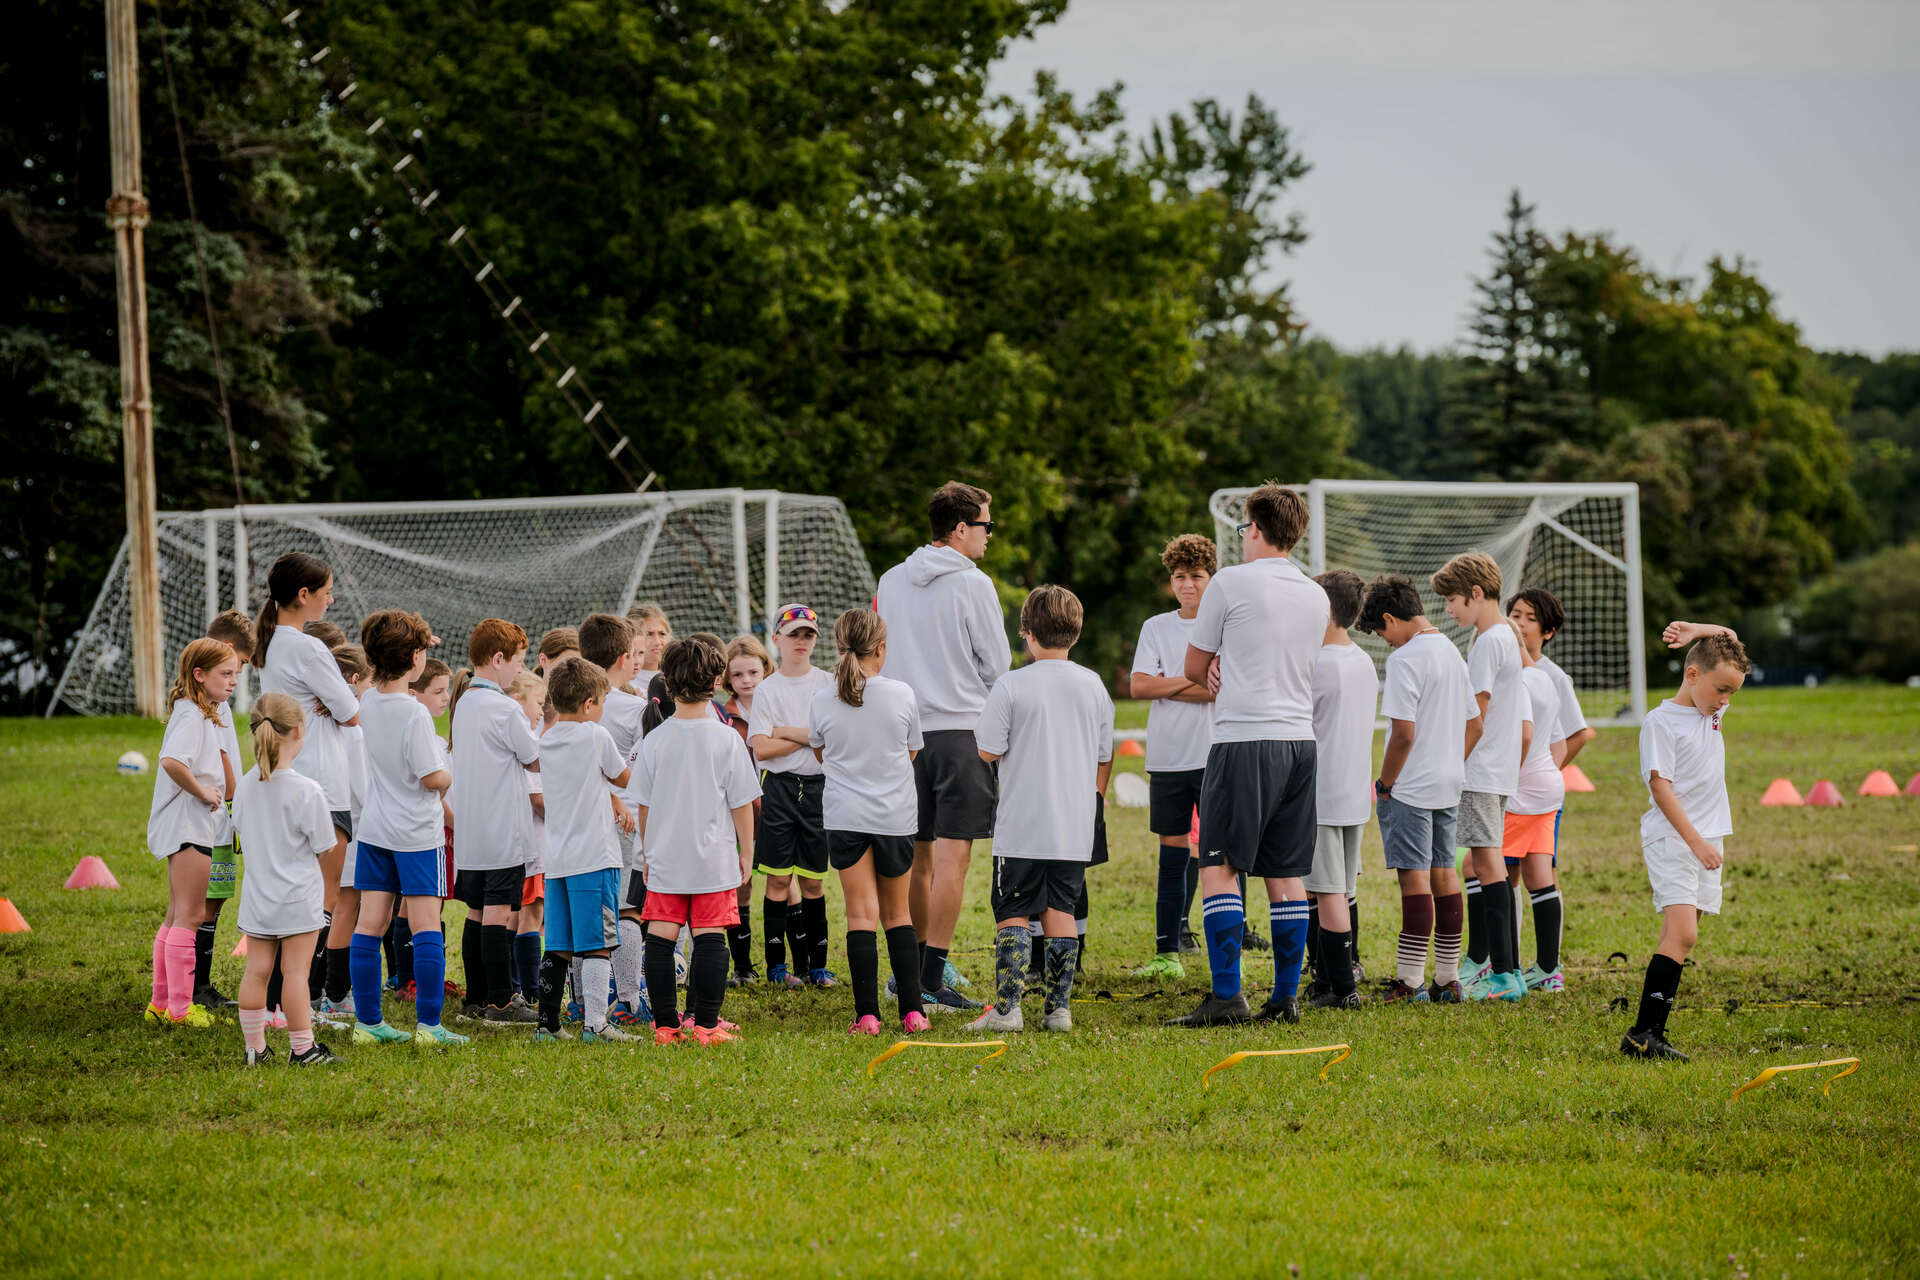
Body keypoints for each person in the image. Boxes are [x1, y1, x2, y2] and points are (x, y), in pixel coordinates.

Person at [1168, 484, 1328, 1027]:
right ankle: (1285, 998)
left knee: (1218, 865)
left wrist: (1216, 668)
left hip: (1242, 738)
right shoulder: (1315, 593)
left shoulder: (1230, 583)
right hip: (1300, 742)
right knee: (1285, 874)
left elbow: (1194, 667)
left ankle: (1227, 996)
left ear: (1254, 528)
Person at [873, 481, 1009, 1011]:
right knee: (954, 859)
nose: (989, 536)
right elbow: (997, 668)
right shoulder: (975, 584)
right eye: (986, 526)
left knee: (915, 858)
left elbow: (878, 654)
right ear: (959, 529)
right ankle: (930, 977)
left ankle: (908, 971)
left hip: (903, 734)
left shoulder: (890, 578)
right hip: (960, 735)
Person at [965, 587, 1113, 1033]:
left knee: (1012, 910)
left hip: (1022, 824)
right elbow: (1105, 753)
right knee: (1061, 909)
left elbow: (988, 751)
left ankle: (1008, 1010)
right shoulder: (1093, 684)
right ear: (1076, 632)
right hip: (1072, 824)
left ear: (1027, 634)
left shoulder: (1011, 684)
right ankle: (1058, 1009)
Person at [1622, 622, 1748, 1061]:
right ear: (1692, 675)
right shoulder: (1661, 722)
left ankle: (1650, 1034)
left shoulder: (1709, 709)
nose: (1725, 701)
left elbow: (1728, 635)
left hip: (1706, 839)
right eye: (1722, 690)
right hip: (1676, 839)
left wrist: (1696, 629)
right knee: (1684, 933)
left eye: (1732, 693)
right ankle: (1642, 1034)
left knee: (1680, 937)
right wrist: (1695, 843)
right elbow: (1661, 789)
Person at [630, 639, 761, 1046]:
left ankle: (666, 1027)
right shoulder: (726, 740)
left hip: (666, 858)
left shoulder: (654, 741)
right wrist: (747, 852)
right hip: (713, 860)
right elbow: (742, 805)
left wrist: (649, 854)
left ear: (668, 684)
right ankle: (705, 1025)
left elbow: (644, 808)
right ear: (718, 682)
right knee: (709, 938)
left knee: (660, 937)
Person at [348, 609, 468, 1048]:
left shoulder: (367, 702)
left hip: (376, 831)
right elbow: (431, 777)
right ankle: (430, 1028)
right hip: (417, 834)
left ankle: (368, 1023)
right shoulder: (415, 714)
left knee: (369, 924)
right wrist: (449, 776)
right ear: (417, 658)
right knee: (426, 928)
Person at [808, 609, 930, 1034]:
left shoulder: (822, 698)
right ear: (881, 647)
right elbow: (912, 752)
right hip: (895, 817)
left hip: (845, 816)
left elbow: (822, 754)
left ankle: (867, 1017)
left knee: (861, 915)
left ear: (839, 647)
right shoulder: (901, 694)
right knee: (898, 915)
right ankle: (913, 1013)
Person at [1358, 576, 1478, 1004]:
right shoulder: (1451, 650)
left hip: (1410, 787)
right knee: (1445, 877)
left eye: (1379, 632)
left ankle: (1409, 981)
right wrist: (1449, 761)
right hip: (1448, 782)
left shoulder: (1406, 660)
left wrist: (1386, 783)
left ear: (1390, 618)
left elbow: (1403, 734)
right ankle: (1447, 979)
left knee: (1414, 883)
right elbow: (1475, 723)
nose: (1383, 641)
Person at [253, 553, 361, 1017]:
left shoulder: (272, 642)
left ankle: (285, 996)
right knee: (326, 897)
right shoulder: (308, 647)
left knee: (297, 890)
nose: (331, 599)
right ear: (304, 595)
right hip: (323, 784)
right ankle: (306, 996)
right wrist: (337, 697)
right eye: (327, 591)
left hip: (289, 776)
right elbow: (350, 712)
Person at [1433, 551, 1530, 1002]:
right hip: (1498, 770)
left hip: (1481, 770)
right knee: (1486, 862)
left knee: (1488, 864)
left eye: (1452, 599)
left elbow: (1478, 714)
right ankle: (1499, 969)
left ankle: (1505, 976)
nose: (1449, 610)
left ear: (1475, 593)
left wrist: (1454, 761)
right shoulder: (1505, 636)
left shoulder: (1490, 640)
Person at [231, 691, 340, 1065]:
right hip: (297, 900)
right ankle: (303, 1050)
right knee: (295, 973)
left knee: (256, 972)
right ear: (298, 731)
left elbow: (239, 828)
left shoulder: (244, 786)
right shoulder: (308, 790)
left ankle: (254, 1050)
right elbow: (326, 846)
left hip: (258, 898)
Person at [533, 656, 634, 1043]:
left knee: (557, 944)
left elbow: (585, 784)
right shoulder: (596, 735)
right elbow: (623, 776)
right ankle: (596, 1024)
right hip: (595, 857)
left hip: (558, 859)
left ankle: (548, 1025)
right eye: (603, 702)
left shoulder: (548, 739)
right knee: (598, 944)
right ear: (589, 704)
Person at [1128, 534, 1216, 979]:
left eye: (1196, 577)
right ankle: (1167, 952)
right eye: (1179, 577)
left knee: (1220, 853)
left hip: (1214, 755)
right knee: (1172, 852)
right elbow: (1139, 687)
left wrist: (1171, 680)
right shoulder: (1156, 627)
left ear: (1211, 579)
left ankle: (1225, 946)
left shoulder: (1223, 626)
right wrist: (1192, 679)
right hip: (1167, 758)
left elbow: (1221, 692)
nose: (1187, 585)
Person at [145, 637, 242, 1028]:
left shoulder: (204, 711)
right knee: (189, 916)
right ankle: (180, 1011)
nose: (233, 681)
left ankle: (160, 1004)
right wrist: (203, 790)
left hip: (191, 826)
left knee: (175, 916)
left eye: (236, 673)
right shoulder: (191, 715)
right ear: (199, 676)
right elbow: (171, 761)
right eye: (225, 674)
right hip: (188, 827)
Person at [450, 619, 541, 1025]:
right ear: (497, 658)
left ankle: (476, 998)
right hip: (502, 828)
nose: (520, 672)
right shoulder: (505, 708)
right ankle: (503, 1002)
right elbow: (534, 757)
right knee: (496, 913)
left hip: (472, 832)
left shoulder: (466, 701)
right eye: (518, 662)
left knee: (475, 911)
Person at [1506, 587, 1595, 988]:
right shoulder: (1510, 669)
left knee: (1537, 871)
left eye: (1529, 618)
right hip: (1523, 788)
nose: (1520, 623)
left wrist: (1543, 768)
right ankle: (1514, 958)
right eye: (1516, 614)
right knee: (1511, 873)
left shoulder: (1553, 677)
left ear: (1548, 631)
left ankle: (1544, 966)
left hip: (1533, 792)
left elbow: (1577, 734)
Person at [748, 604, 836, 988]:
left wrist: (783, 730)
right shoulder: (767, 689)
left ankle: (817, 967)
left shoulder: (828, 683)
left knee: (814, 882)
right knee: (779, 881)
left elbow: (829, 742)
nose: (801, 641)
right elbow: (761, 749)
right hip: (779, 789)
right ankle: (776, 967)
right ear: (776, 639)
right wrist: (806, 736)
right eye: (794, 634)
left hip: (819, 790)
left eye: (808, 635)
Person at [1304, 569, 1377, 1010]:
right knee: (1338, 888)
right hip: (1353, 791)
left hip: (1322, 792)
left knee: (1327, 891)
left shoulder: (1318, 664)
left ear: (1326, 610)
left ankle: (1341, 988)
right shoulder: (1363, 660)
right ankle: (1329, 976)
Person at [580, 612, 650, 1027]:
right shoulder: (634, 708)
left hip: (577, 820)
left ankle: (580, 1001)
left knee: (584, 913)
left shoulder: (568, 704)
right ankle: (627, 998)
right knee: (627, 910)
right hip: (624, 822)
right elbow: (640, 774)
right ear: (625, 658)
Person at [193, 609, 256, 1011]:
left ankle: (200, 985)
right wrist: (239, 800)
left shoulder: (217, 701)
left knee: (213, 900)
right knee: (202, 903)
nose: (240, 676)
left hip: (221, 820)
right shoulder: (205, 704)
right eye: (241, 666)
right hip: (213, 820)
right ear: (229, 651)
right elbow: (221, 760)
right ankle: (194, 988)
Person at [315, 642, 370, 1023]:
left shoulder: (334, 724)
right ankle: (333, 991)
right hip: (353, 826)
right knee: (342, 908)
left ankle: (327, 990)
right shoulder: (352, 730)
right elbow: (363, 788)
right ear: (353, 682)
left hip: (346, 825)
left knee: (340, 906)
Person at [1507, 646, 1568, 992]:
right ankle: (1548, 969)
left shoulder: (1519, 682)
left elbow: (1525, 734)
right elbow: (1558, 742)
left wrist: (1506, 775)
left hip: (1521, 790)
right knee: (1538, 873)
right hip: (1547, 785)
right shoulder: (1544, 678)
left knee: (1482, 869)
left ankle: (1501, 967)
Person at [721, 635, 773, 984]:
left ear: (765, 670)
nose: (747, 681)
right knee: (742, 881)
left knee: (785, 879)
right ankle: (742, 966)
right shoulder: (724, 716)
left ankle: (783, 965)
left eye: (753, 672)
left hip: (779, 802)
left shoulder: (779, 705)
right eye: (738, 675)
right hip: (739, 808)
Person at [506, 669, 550, 1003]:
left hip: (524, 844)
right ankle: (529, 989)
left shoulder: (523, 734)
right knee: (530, 915)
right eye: (537, 701)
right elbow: (538, 798)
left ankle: (517, 985)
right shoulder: (525, 738)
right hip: (532, 845)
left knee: (523, 915)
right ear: (518, 699)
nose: (541, 708)